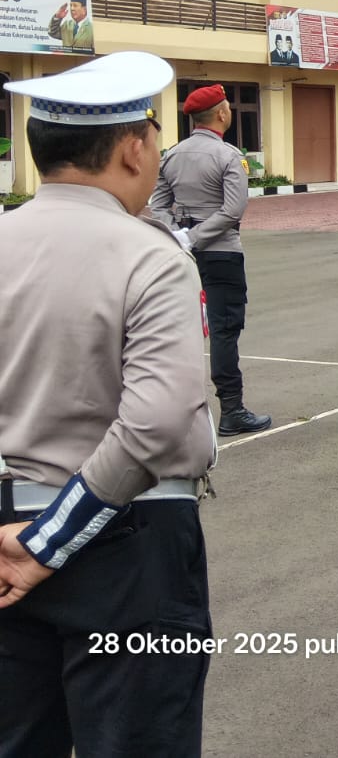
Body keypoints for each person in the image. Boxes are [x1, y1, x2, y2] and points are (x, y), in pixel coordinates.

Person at [0, 51, 216, 757]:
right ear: (131, 149)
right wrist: (49, 543)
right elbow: (159, 423)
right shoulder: (148, 255)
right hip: (126, 538)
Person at [150, 84, 271, 436]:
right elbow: (233, 209)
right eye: (228, 107)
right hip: (221, 253)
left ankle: (175, 412)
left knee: (178, 331)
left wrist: (179, 233)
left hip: (181, 254)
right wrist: (197, 235)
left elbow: (158, 204)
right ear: (221, 113)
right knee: (223, 331)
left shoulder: (172, 155)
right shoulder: (228, 156)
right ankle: (232, 410)